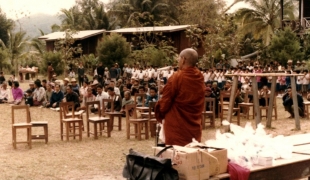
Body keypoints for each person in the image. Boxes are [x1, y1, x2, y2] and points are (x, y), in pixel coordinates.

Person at [155, 48, 205, 146]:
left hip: (177, 125)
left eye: (179, 59)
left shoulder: (177, 77)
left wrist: (159, 109)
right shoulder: (199, 76)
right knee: (192, 153)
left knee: (176, 156)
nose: (178, 62)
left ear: (183, 59)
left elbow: (165, 102)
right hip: (194, 124)